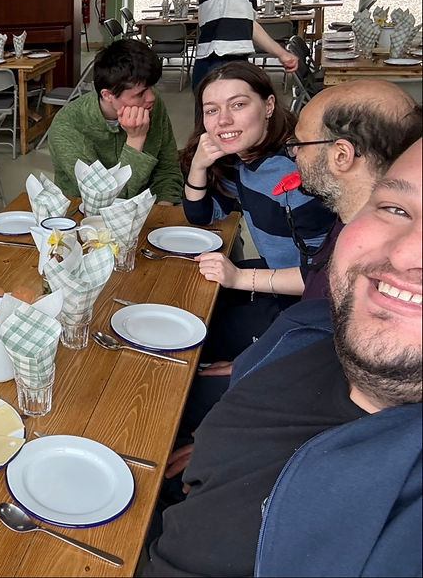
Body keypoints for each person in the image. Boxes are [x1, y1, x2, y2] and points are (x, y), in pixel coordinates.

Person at [147, 139, 422, 577]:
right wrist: (220, 440)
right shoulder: (311, 330)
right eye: (394, 208)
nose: (407, 252)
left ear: (342, 154)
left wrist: (240, 279)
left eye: (303, 139)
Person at [180, 61, 334, 361]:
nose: (223, 120)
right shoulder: (246, 158)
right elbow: (201, 216)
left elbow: (326, 278)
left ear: (268, 105)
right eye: (211, 110)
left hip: (310, 310)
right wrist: (198, 165)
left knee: (195, 343)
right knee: (190, 303)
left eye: (238, 104)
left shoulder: (296, 176)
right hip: (279, 285)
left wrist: (240, 279)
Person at [288, 80, 421, 299]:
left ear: (342, 156)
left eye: (301, 144)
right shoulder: (349, 216)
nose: (295, 154)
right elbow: (313, 276)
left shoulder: (370, 272)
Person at [47, 39, 184, 203]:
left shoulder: (150, 105)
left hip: (148, 209)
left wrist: (163, 210)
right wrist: (135, 140)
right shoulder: (67, 125)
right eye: (140, 94)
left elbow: (168, 169)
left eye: (151, 87)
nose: (151, 97)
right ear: (107, 95)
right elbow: (105, 199)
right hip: (84, 215)